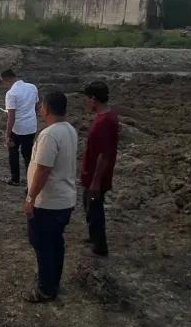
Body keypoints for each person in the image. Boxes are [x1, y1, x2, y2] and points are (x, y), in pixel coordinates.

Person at [22, 91, 78, 303]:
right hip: (64, 201)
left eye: (41, 106)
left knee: (42, 245)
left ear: (45, 109)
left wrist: (30, 199)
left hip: (48, 203)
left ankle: (45, 290)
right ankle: (53, 281)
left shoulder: (49, 134)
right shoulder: (70, 130)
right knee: (56, 243)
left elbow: (43, 170)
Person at [81, 81, 119, 257]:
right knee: (89, 206)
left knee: (95, 209)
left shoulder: (105, 122)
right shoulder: (106, 117)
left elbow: (104, 154)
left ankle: (99, 247)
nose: (87, 102)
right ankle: (94, 235)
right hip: (91, 173)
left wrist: (96, 180)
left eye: (88, 99)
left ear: (94, 99)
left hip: (96, 176)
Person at [1, 69, 39, 186]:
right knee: (28, 154)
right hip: (31, 127)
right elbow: (36, 107)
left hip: (17, 129)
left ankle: (15, 179)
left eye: (4, 82)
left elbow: (11, 117)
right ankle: (30, 180)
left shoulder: (11, 93)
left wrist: (7, 135)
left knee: (13, 152)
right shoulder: (32, 87)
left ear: (8, 80)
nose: (4, 85)